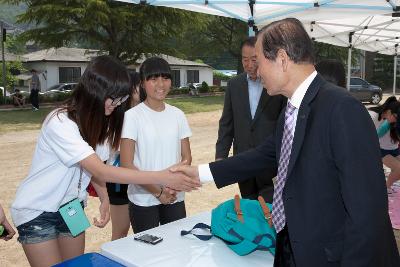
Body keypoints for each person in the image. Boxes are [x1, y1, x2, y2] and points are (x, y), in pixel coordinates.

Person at [173, 18, 400, 266]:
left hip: (330, 255)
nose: (256, 73)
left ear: (281, 59)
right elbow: (267, 154)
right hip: (294, 243)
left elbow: (367, 211)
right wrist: (200, 173)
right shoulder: (292, 108)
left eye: (259, 62)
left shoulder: (342, 109)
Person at [11, 55, 199, 267]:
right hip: (39, 212)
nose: (117, 105)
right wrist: (161, 177)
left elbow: (95, 171)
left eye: (121, 100)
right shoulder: (60, 122)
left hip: (72, 209)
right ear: (95, 90)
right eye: (114, 98)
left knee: (76, 265)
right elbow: (100, 170)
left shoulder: (101, 125)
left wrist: (104, 199)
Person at [120, 57, 192, 233]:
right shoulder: (132, 116)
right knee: (147, 254)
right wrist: (158, 192)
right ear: (143, 83)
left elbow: (187, 157)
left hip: (174, 195)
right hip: (143, 198)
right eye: (153, 79)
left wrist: (171, 186)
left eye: (165, 78)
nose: (161, 84)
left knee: (176, 248)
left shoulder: (178, 114)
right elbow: (126, 164)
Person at [216, 36, 285, 202]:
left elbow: (284, 125)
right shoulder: (234, 85)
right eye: (244, 60)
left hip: (270, 161)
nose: (249, 65)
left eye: (254, 59)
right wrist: (220, 157)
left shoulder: (276, 85)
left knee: (270, 207)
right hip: (243, 159)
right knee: (248, 206)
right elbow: (227, 124)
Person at [106, 70, 141, 241]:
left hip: (140, 176)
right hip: (119, 181)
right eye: (138, 85)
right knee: (120, 232)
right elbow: (113, 148)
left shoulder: (144, 113)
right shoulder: (118, 116)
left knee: (143, 232)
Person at [368, 96, 400, 193]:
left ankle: (387, 186)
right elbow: (370, 136)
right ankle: (385, 189)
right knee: (398, 168)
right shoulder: (372, 116)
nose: (396, 120)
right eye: (395, 117)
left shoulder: (391, 120)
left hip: (393, 148)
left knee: (398, 170)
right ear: (389, 112)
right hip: (380, 149)